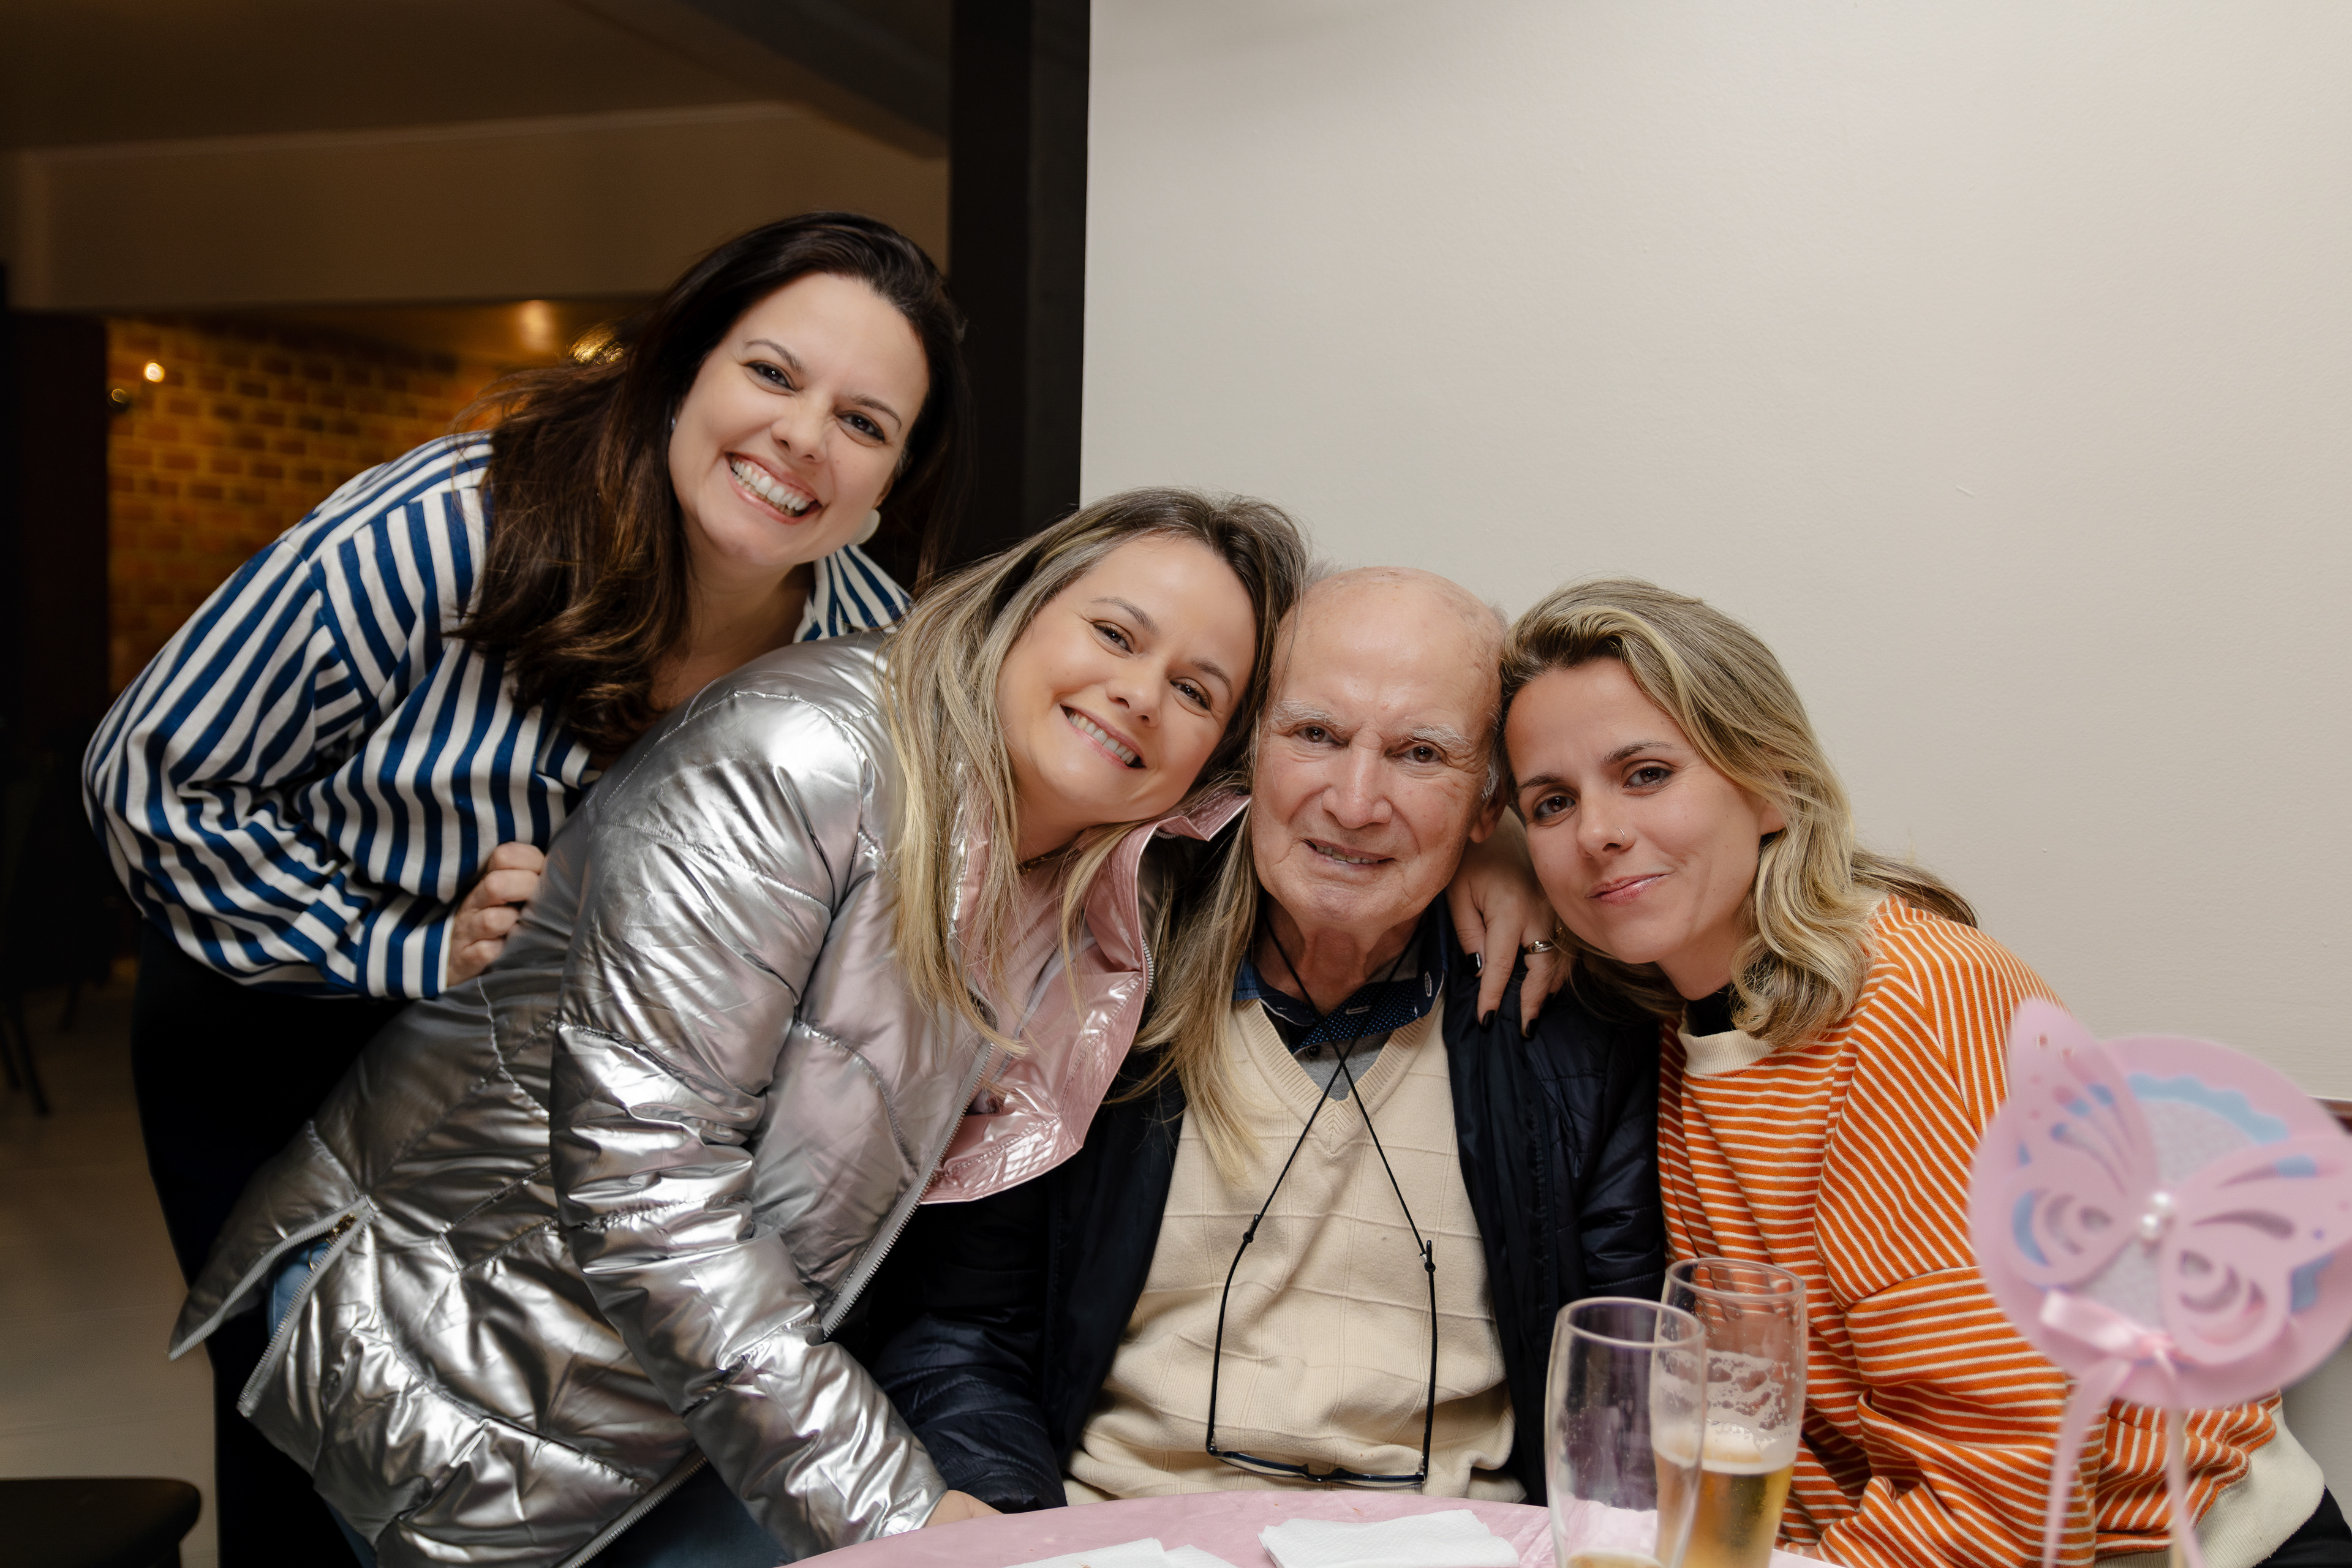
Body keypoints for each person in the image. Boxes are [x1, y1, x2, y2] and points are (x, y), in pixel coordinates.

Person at [167, 489, 1314, 1566]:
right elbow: (647, 1187)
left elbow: (1348, 821)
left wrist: (1498, 858)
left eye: (1198, 690)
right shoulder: (799, 760)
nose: (1142, 694)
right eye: (1116, 634)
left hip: (696, 1379)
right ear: (1019, 608)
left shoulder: (1102, 885)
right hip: (472, 1337)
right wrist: (897, 1512)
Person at [83, 212, 970, 1563]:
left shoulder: (866, 652)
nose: (802, 436)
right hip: (295, 1003)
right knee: (312, 1424)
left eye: (864, 420)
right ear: (681, 368)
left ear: (895, 477)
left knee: (501, 1449)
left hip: (560, 1074)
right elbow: (151, 778)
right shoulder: (439, 533)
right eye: (773, 374)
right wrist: (401, 944)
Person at [1495, 577, 2348, 1568]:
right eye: (1551, 803)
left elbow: (2011, 1498)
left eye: (1645, 774)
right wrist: (1494, 869)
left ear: (1769, 781)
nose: (1595, 831)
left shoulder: (1918, 1003)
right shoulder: (1685, 1011)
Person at [873, 567, 1664, 1509]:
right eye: (1317, 736)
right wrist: (1011, 1524)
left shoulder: (1571, 1029)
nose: (1356, 800)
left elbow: (1624, 1396)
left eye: (1420, 755)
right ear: (1251, 751)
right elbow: (962, 1330)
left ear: (1486, 803)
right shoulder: (1096, 979)